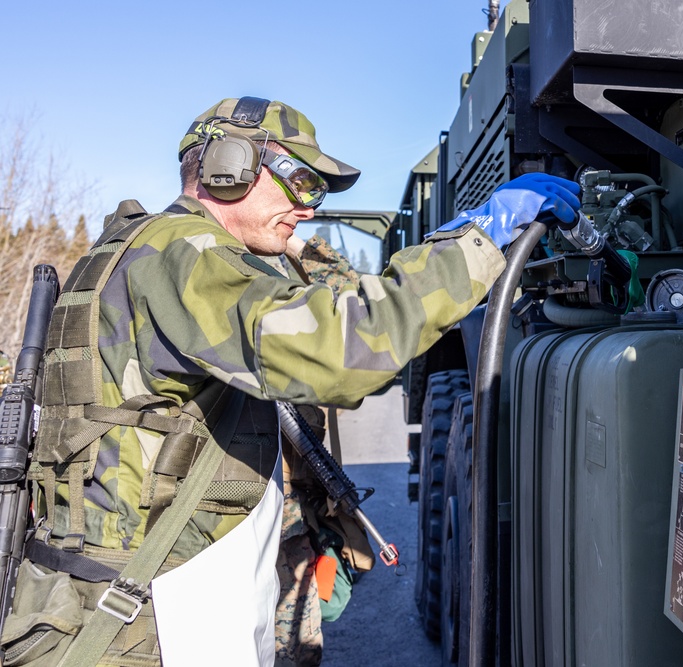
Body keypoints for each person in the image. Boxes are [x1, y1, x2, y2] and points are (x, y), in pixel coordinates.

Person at [0, 96, 580, 666]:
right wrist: (475, 243)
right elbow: (340, 347)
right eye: (300, 182)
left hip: (125, 600)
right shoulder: (184, 256)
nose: (310, 207)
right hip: (140, 622)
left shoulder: (146, 249)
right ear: (229, 167)